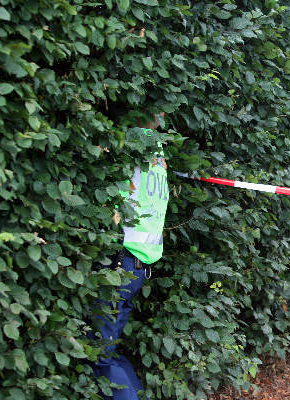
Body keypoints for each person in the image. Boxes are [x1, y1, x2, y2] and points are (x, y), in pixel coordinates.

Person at [91, 114, 169, 400]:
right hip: (139, 265)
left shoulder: (133, 143)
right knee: (108, 350)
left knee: (97, 354)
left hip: (120, 263)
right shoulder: (159, 159)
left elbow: (113, 197)